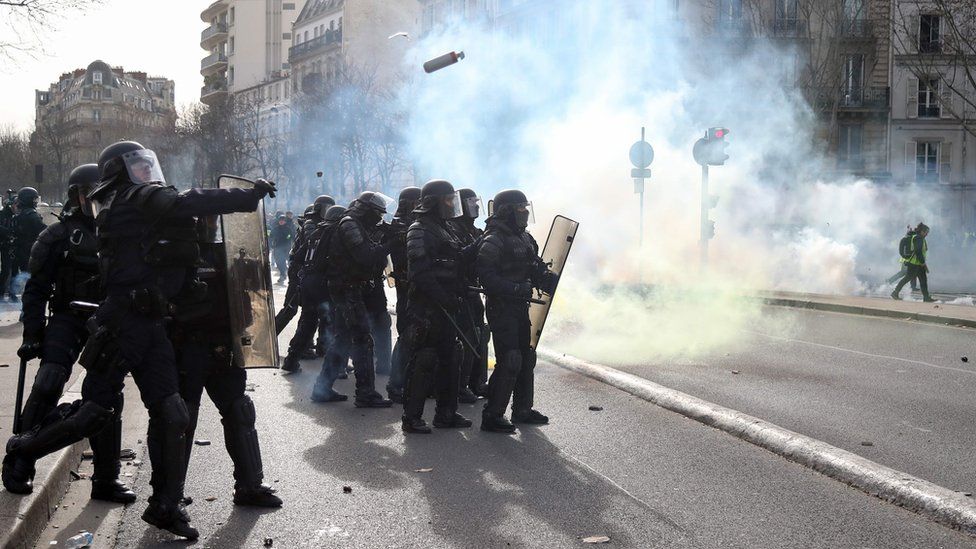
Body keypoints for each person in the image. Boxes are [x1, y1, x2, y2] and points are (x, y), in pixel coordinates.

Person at [4, 141, 275, 540]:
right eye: (138, 166)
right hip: (123, 322)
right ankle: (24, 449)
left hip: (150, 323)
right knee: (93, 413)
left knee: (173, 413)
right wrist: (246, 195)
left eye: (149, 165)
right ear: (120, 172)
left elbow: (175, 228)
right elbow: (187, 200)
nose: (148, 172)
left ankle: (164, 506)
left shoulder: (134, 205)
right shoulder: (130, 199)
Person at [2, 165, 134, 503]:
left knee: (107, 398)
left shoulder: (121, 234)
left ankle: (106, 478)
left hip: (105, 322)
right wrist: (32, 332)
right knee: (49, 379)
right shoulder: (57, 235)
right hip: (67, 317)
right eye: (87, 192)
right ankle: (20, 459)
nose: (94, 199)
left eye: (101, 192)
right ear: (76, 195)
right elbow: (36, 289)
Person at [170, 216, 282, 508]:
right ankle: (169, 495)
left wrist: (255, 257)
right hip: (189, 347)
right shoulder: (172, 255)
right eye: (201, 218)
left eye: (210, 219)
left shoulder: (226, 253)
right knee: (180, 418)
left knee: (240, 411)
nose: (207, 225)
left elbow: (255, 288)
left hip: (225, 346)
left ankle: (250, 485)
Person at [477, 189, 558, 434]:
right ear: (506, 211)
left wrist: (546, 279)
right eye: (520, 208)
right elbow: (486, 278)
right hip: (501, 307)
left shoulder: (525, 238)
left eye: (526, 208)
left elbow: (535, 267)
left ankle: (522, 409)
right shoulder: (493, 239)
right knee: (510, 359)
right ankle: (493, 414)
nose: (524, 213)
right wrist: (515, 288)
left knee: (526, 357)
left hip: (520, 306)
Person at [401, 180, 471, 434]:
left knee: (452, 357)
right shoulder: (418, 229)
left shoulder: (446, 228)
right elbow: (420, 273)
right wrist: (443, 297)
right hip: (426, 307)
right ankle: (412, 418)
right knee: (425, 359)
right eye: (448, 201)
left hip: (446, 305)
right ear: (434, 202)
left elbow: (455, 262)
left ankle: (446, 413)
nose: (452, 205)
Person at [322, 192, 395, 408]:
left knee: (344, 339)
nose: (379, 218)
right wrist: (389, 243)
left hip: (349, 288)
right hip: (347, 289)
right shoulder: (349, 224)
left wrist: (386, 234)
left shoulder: (356, 224)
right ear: (367, 210)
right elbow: (365, 256)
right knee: (362, 339)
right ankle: (365, 393)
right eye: (377, 214)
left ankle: (322, 387)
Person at [281, 205, 344, 377]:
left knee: (308, 323)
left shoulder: (316, 233)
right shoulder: (336, 234)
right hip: (324, 284)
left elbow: (297, 256)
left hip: (308, 282)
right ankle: (335, 369)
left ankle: (291, 360)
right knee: (333, 324)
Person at [449, 188, 489, 403]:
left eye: (476, 201)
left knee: (480, 335)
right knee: (466, 338)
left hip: (475, 290)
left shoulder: (474, 230)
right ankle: (460, 385)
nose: (475, 206)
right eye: (470, 202)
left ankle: (476, 382)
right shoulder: (452, 228)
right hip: (461, 290)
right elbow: (459, 259)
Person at [386, 186, 421, 403]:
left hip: (418, 288)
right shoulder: (399, 226)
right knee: (408, 335)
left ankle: (413, 382)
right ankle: (395, 384)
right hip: (407, 288)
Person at [11, 187, 46, 299]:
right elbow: (43, 231)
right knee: (32, 277)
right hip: (31, 250)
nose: (36, 202)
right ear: (28, 199)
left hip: (20, 250)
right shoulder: (32, 215)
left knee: (24, 275)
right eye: (34, 199)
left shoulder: (20, 215)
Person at [892, 223, 934, 302]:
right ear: (922, 231)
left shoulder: (920, 237)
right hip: (914, 264)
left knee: (923, 280)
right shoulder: (918, 238)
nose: (927, 234)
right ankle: (895, 293)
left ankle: (926, 297)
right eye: (926, 232)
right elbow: (918, 251)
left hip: (918, 263)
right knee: (907, 278)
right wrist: (923, 263)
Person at [886, 226, 918, 292]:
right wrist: (907, 256)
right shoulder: (908, 239)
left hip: (907, 259)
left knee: (911, 273)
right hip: (907, 259)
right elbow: (902, 251)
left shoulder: (906, 239)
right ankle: (890, 281)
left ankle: (912, 286)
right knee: (907, 273)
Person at [269, 213, 294, 285]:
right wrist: (271, 244)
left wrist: (288, 239)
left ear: (285, 221)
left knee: (288, 261)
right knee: (279, 262)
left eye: (283, 220)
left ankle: (284, 275)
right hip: (277, 247)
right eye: (280, 220)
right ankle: (283, 273)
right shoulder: (275, 229)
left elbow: (291, 236)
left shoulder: (288, 229)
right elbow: (271, 236)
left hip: (286, 247)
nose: (281, 221)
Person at [0, 191, 16, 300]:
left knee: (14, 270)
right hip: (5, 244)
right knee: (6, 270)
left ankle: (12, 293)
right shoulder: (3, 214)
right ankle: (1, 292)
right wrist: (9, 232)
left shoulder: (18, 215)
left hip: (15, 245)